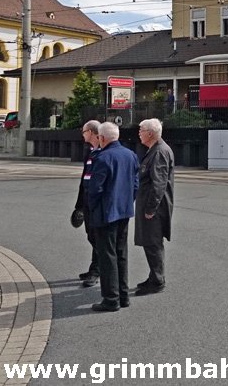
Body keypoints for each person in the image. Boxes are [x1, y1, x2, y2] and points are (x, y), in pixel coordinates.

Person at [87, 122, 139, 312]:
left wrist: (92, 208)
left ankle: (111, 299)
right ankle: (123, 295)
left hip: (105, 213)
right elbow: (135, 184)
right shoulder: (130, 155)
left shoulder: (102, 158)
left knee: (107, 256)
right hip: (124, 211)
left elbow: (95, 189)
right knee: (121, 253)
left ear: (102, 138)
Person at [134, 118, 175, 296]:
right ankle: (154, 276)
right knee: (151, 242)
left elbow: (158, 183)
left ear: (150, 133)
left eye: (141, 130)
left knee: (153, 242)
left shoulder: (159, 152)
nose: (139, 133)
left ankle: (157, 280)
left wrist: (150, 209)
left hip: (155, 208)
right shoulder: (156, 149)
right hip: (153, 205)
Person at [75, 120, 101, 287]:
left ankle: (97, 271)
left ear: (91, 132)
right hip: (87, 202)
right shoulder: (90, 151)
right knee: (91, 236)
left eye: (84, 131)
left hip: (97, 204)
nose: (82, 134)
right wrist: (79, 205)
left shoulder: (101, 152)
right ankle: (94, 267)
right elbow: (84, 180)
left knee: (96, 238)